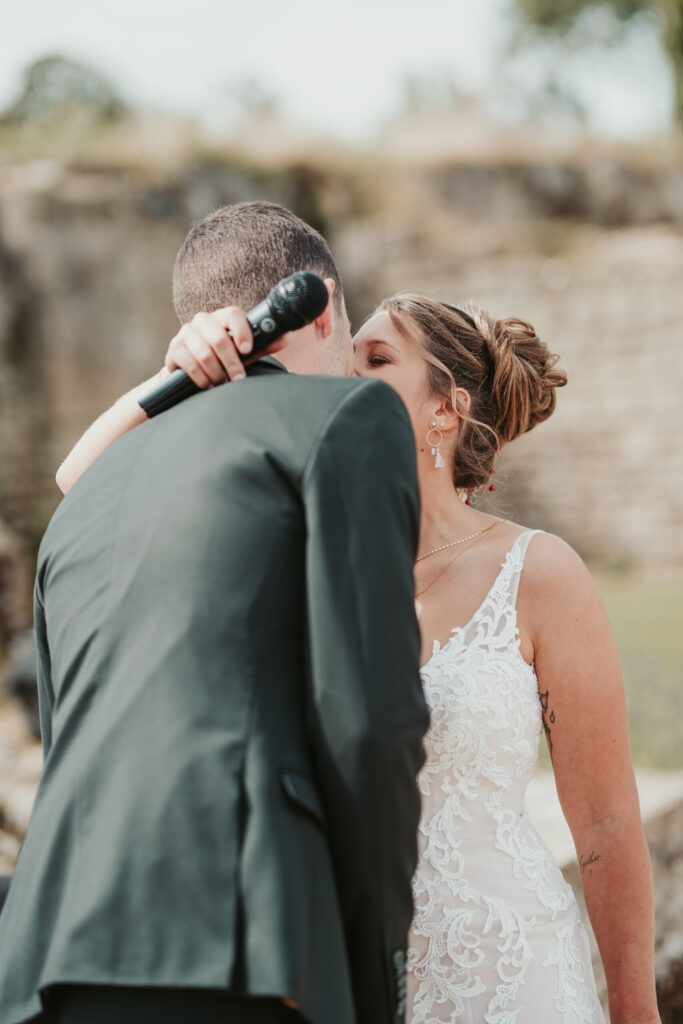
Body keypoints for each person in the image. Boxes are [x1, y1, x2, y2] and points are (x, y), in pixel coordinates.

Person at [55, 212, 660, 1023]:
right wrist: (184, 370)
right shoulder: (300, 548)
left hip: (509, 974)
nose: (343, 371)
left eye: (375, 359)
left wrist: (633, 1008)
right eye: (346, 352)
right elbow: (80, 480)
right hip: (346, 977)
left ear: (445, 409)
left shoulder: (538, 572)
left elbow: (607, 825)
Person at [0, 202, 430, 1024]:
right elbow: (368, 724)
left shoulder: (82, 501)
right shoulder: (346, 418)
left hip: (38, 962)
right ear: (324, 302)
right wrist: (378, 970)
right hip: (243, 950)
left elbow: (65, 741)